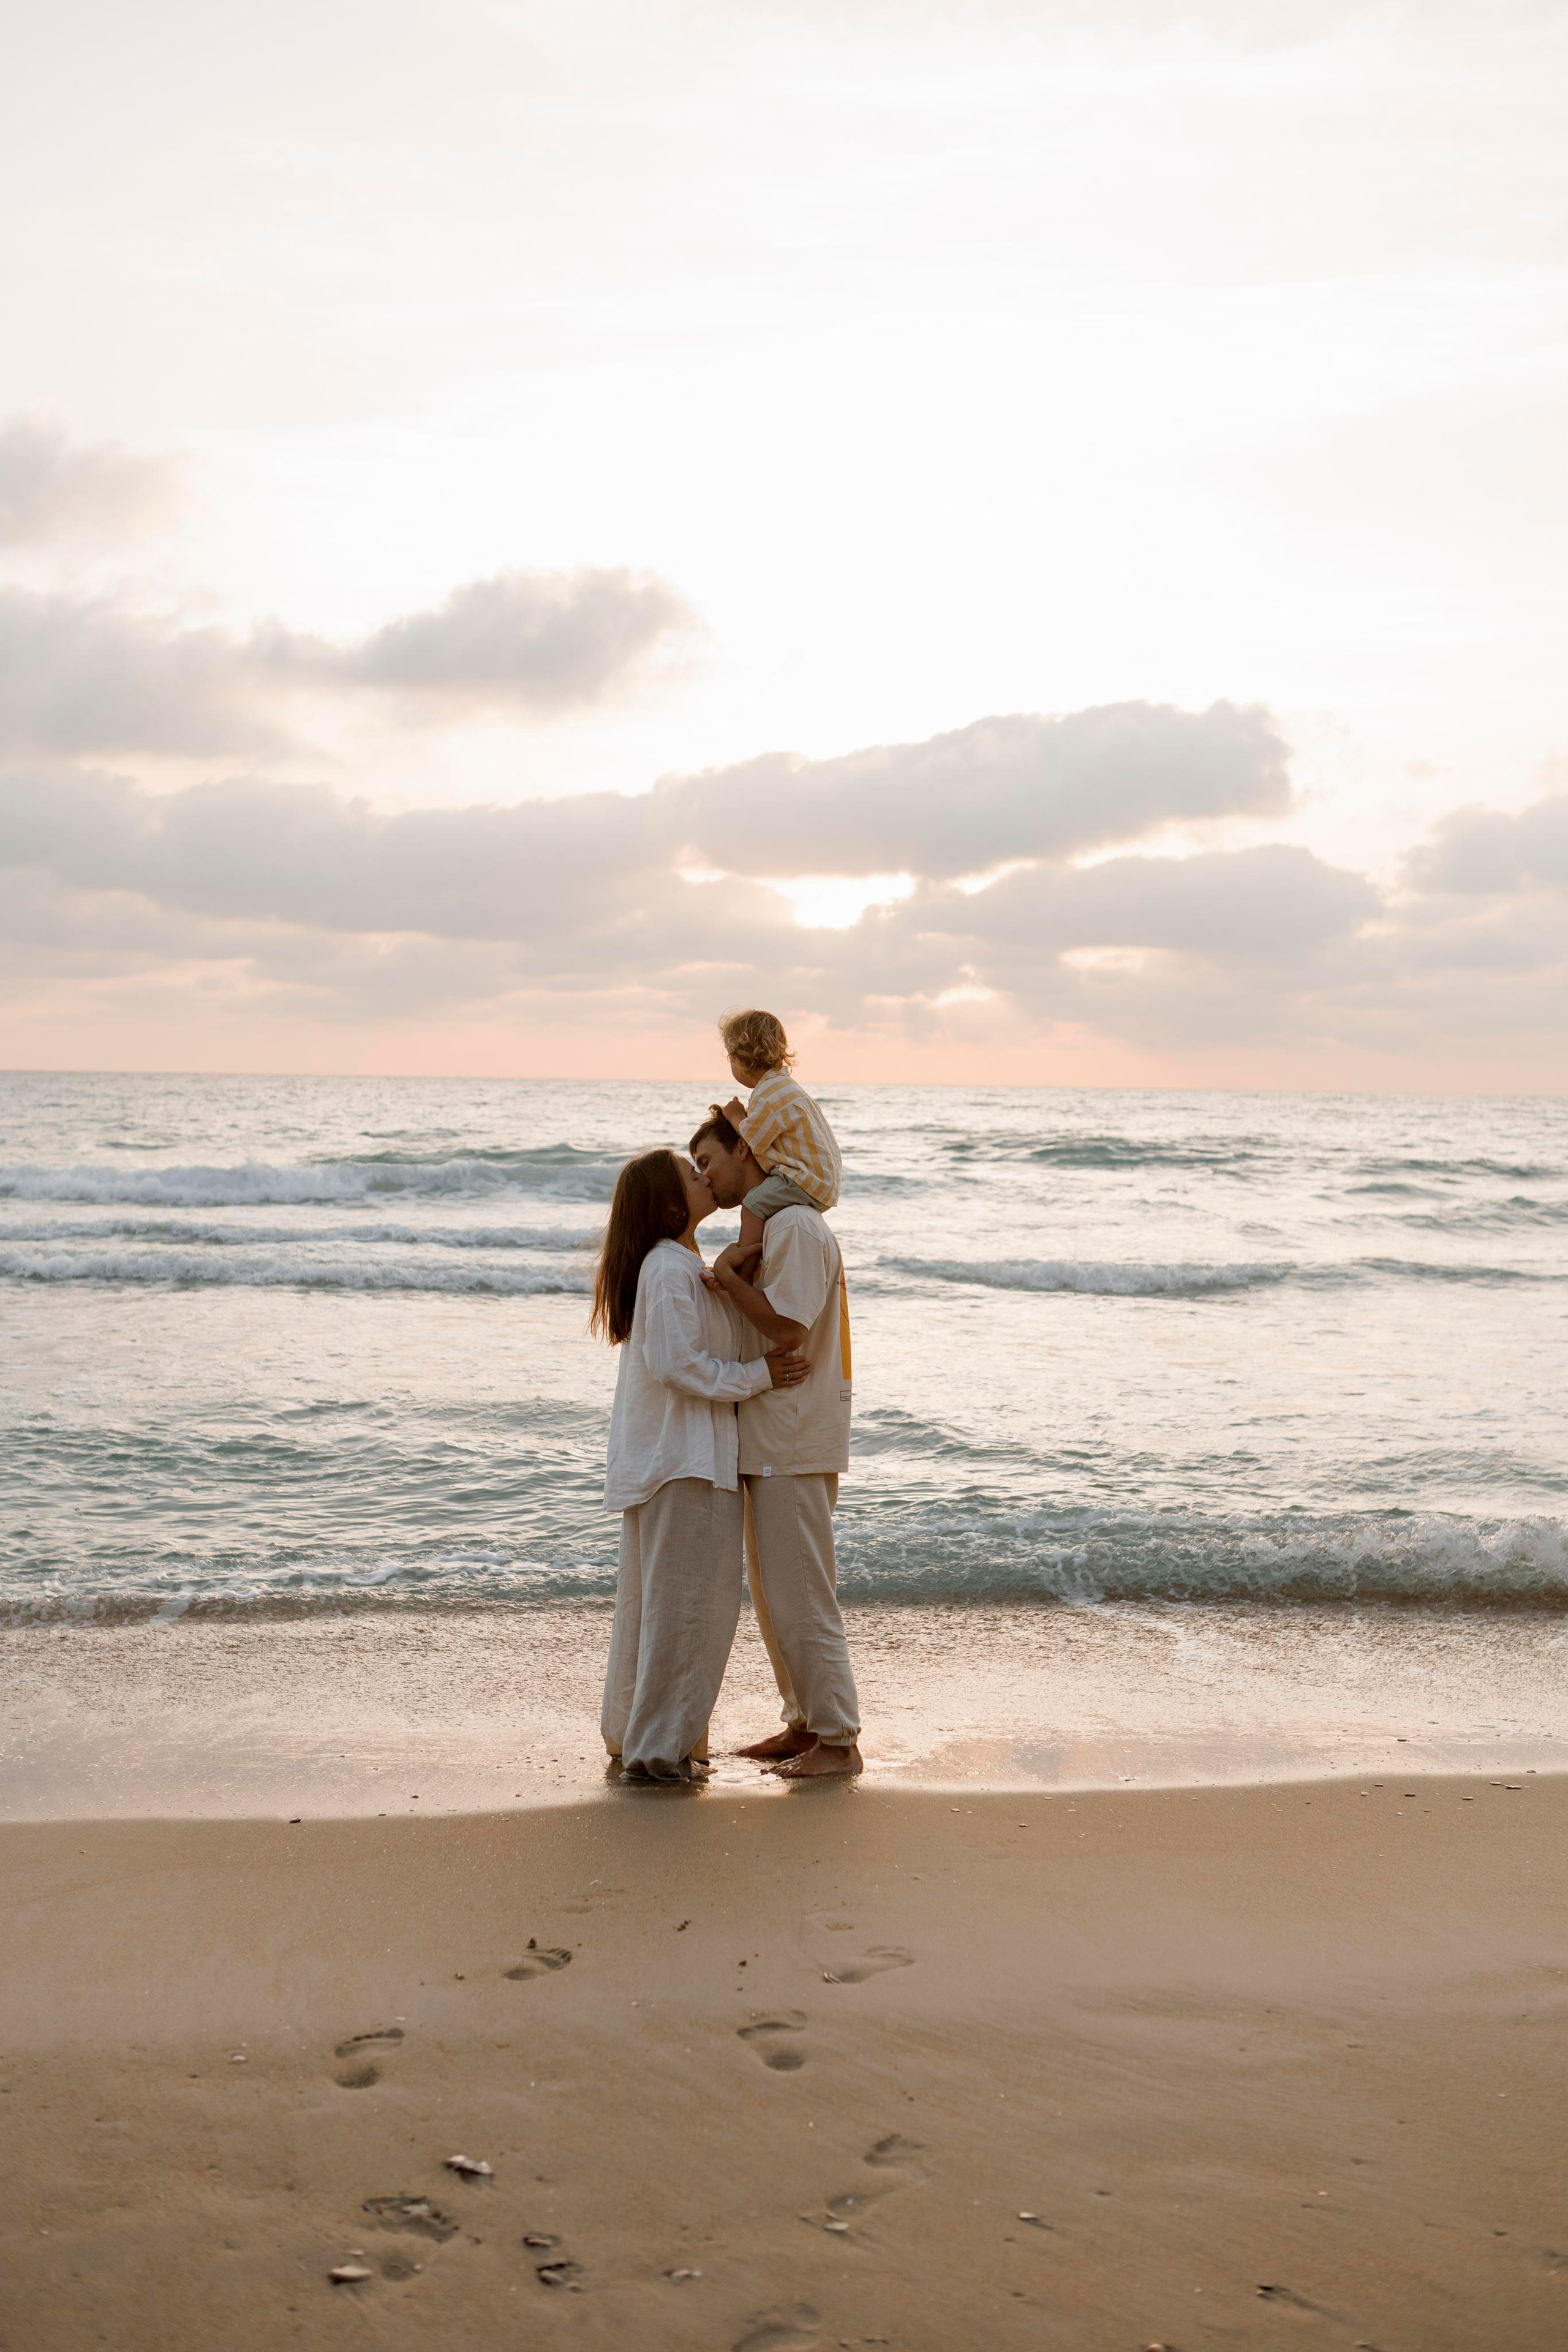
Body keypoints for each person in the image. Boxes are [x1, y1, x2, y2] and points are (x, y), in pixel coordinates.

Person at [593, 1147, 807, 1782]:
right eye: (692, 1175)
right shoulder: (666, 1268)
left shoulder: (678, 1266)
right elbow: (677, 1364)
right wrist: (760, 1376)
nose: (705, 1176)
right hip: (684, 1464)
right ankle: (657, 1755)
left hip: (676, 1461)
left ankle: (636, 1738)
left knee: (657, 1612)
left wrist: (728, 1276)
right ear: (667, 1204)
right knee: (691, 1615)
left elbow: (688, 1350)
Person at [688, 1110, 862, 1779]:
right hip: (774, 1434)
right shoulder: (782, 1224)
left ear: (745, 1148)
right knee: (773, 1592)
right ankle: (804, 1723)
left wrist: (728, 1276)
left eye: (709, 1162)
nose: (706, 1176)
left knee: (801, 1594)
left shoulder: (792, 1225)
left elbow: (788, 1329)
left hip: (793, 1435)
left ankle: (839, 1741)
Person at [712, 1008, 842, 1277]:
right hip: (818, 1179)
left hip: (803, 1179)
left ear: (736, 1060)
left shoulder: (768, 1094)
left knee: (753, 1204)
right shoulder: (783, 1085)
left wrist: (736, 1116)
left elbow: (754, 1140)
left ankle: (744, 1274)